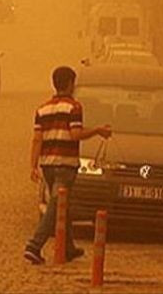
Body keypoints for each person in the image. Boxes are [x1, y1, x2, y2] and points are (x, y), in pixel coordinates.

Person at [23, 66, 112, 265]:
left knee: (63, 205)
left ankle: (68, 248)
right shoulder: (74, 107)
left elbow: (37, 139)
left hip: (47, 165)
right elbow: (75, 134)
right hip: (66, 164)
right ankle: (34, 245)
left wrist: (33, 165)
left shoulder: (42, 109)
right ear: (71, 84)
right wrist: (98, 130)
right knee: (56, 205)